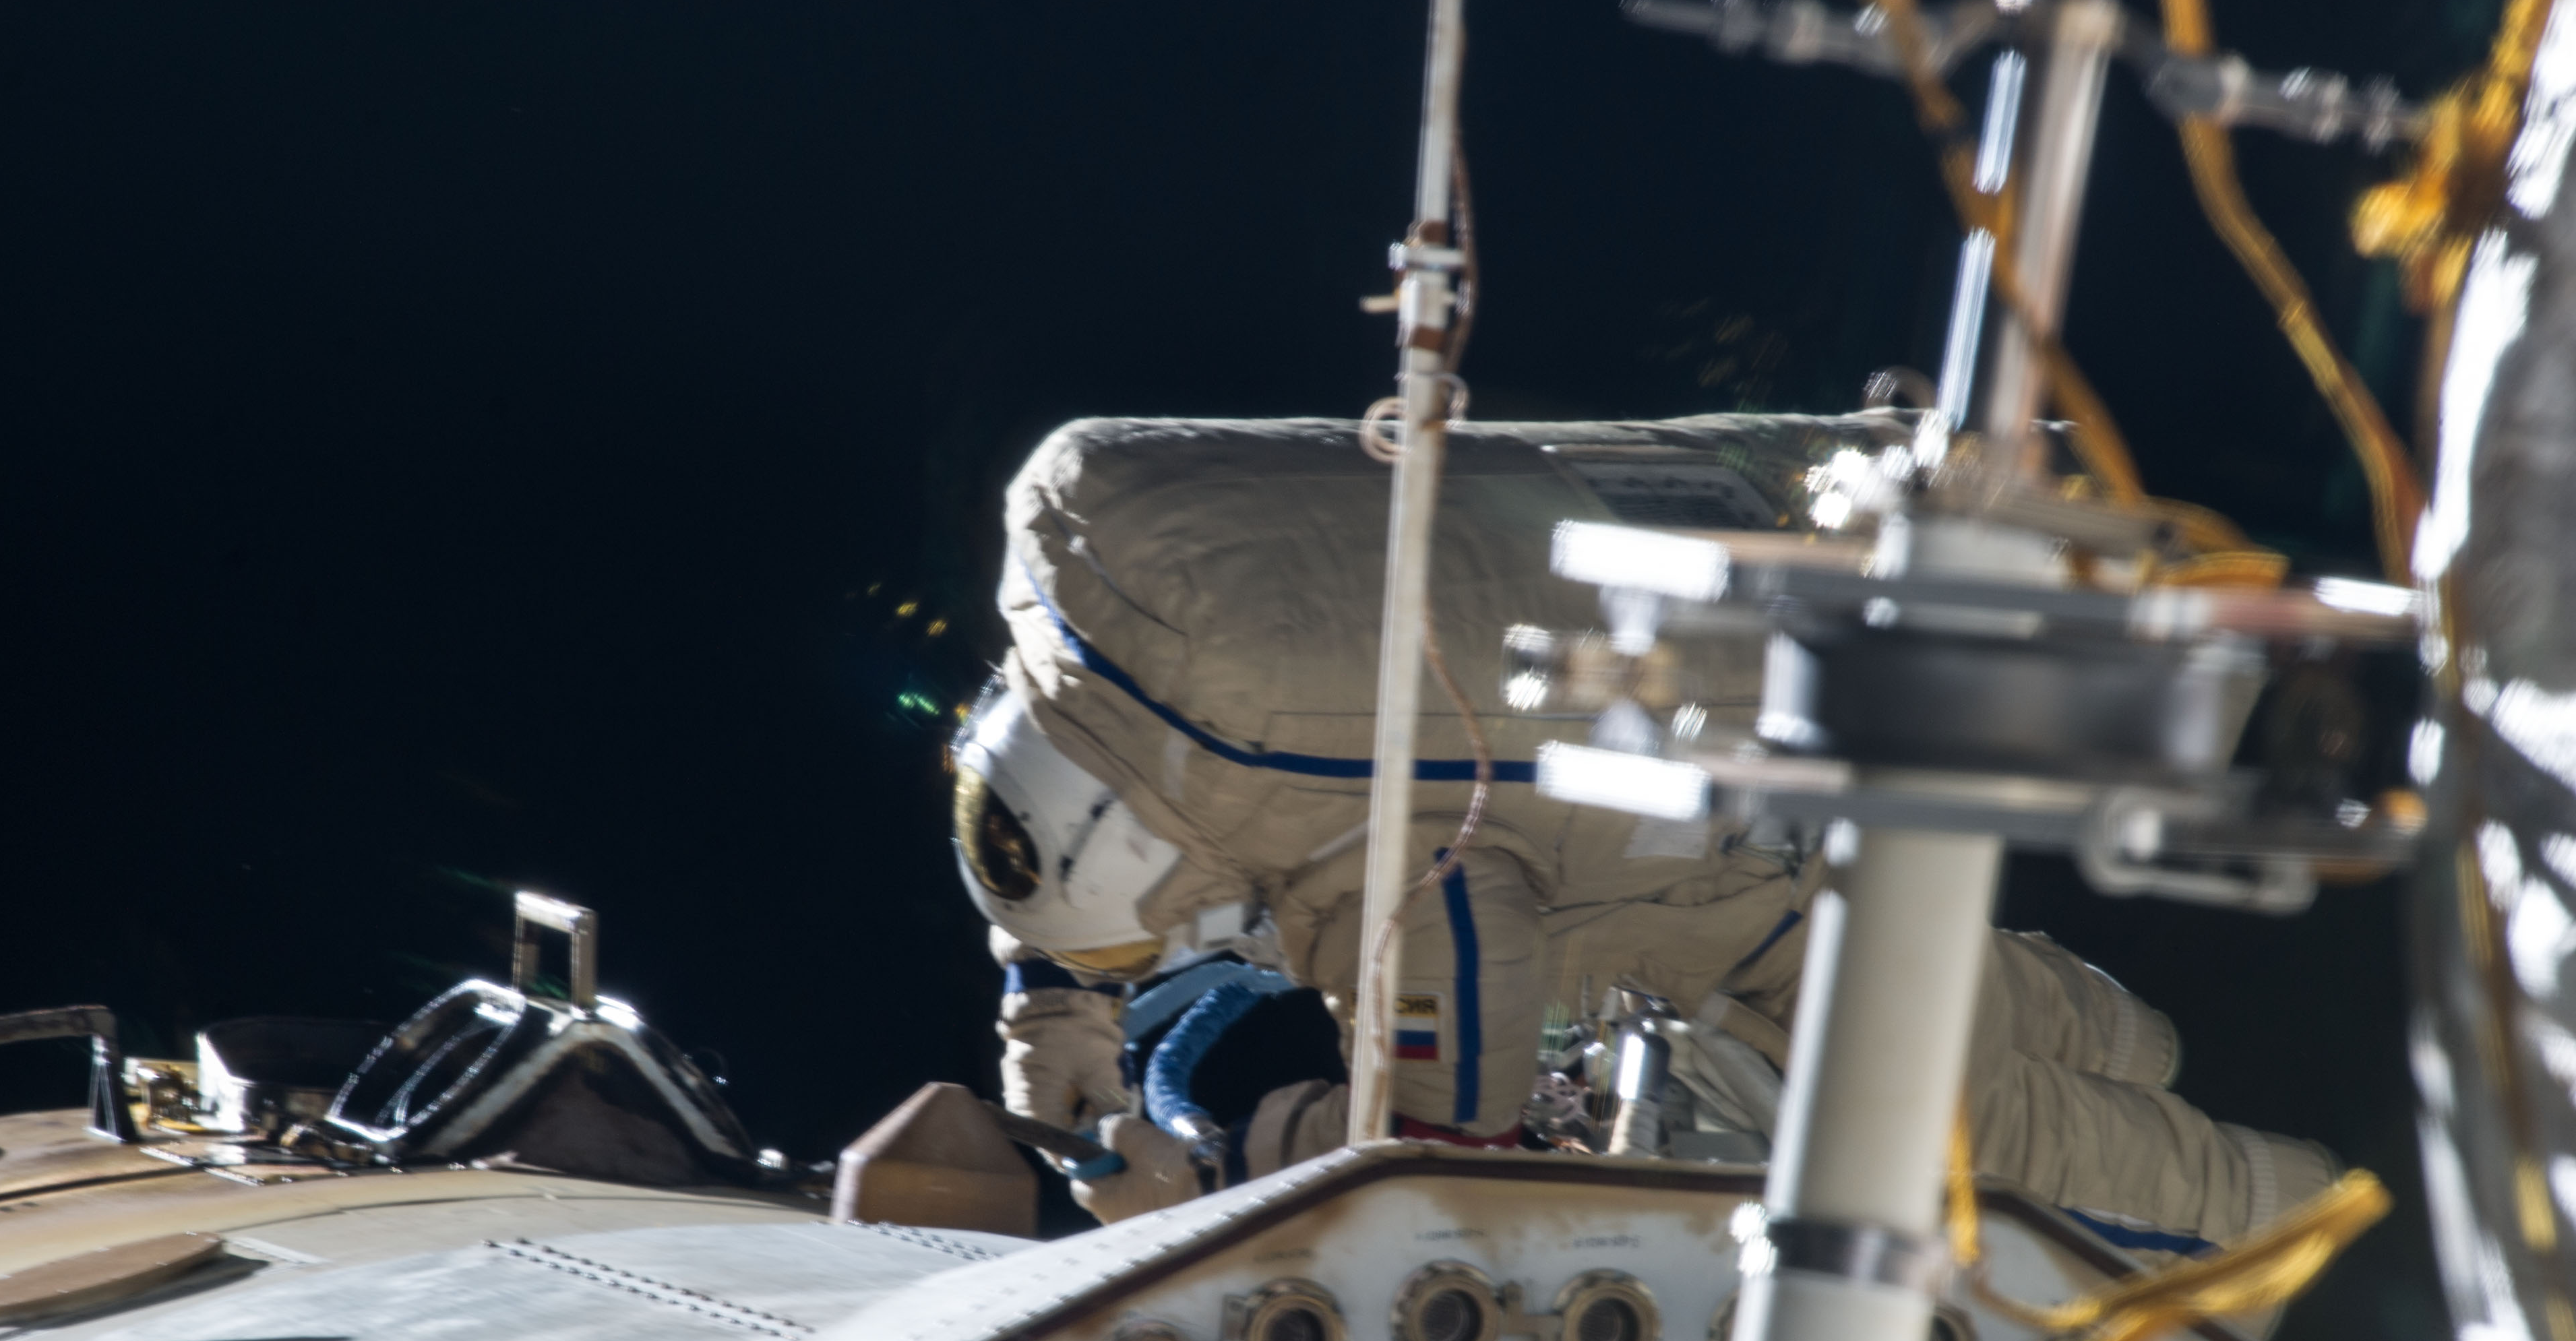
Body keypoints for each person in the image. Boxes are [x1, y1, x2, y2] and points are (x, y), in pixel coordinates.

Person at [955, 411, 2335, 1247]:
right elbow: (1059, 844)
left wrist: (1212, 1164)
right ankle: (2150, 1044)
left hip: (1737, 918)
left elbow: (1448, 1139)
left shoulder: (1374, 866)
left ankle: (2310, 1237)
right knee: (2063, 1027)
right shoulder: (1097, 631)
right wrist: (1051, 1013)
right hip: (1742, 874)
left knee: (2007, 1144)